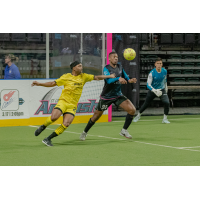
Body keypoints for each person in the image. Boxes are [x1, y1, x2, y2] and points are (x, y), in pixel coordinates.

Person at [31, 61, 115, 147]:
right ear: (74, 68)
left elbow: (97, 77)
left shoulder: (84, 76)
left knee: (66, 124)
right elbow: (52, 83)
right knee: (54, 117)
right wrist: (39, 83)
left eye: (81, 66)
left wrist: (109, 76)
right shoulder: (66, 76)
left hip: (72, 106)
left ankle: (48, 139)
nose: (81, 68)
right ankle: (43, 127)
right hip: (63, 102)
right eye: (79, 66)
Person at [79, 52, 137, 141]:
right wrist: (118, 78)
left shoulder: (120, 67)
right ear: (109, 59)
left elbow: (125, 77)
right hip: (106, 97)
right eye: (114, 57)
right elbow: (109, 81)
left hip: (118, 95)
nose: (116, 58)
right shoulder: (106, 68)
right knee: (96, 116)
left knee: (132, 110)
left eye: (117, 57)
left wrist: (130, 80)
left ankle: (124, 130)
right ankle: (84, 132)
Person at [133, 57, 170, 123]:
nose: (159, 65)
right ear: (155, 64)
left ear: (162, 64)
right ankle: (138, 115)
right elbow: (148, 85)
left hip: (162, 89)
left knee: (167, 102)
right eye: (157, 63)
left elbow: (165, 81)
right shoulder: (152, 73)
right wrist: (155, 90)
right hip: (153, 90)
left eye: (160, 63)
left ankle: (165, 119)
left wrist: (166, 89)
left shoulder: (165, 71)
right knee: (146, 104)